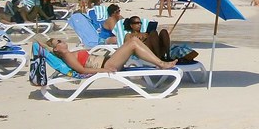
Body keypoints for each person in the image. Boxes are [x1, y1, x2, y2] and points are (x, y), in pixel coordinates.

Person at [43, 35, 176, 75]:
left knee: (134, 41)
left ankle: (160, 62)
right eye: (58, 42)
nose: (62, 41)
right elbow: (81, 70)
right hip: (108, 64)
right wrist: (104, 70)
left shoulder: (70, 53)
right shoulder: (67, 56)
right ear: (56, 49)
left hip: (108, 61)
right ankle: (161, 63)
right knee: (133, 42)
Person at [122, 16, 198, 63]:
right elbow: (127, 47)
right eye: (136, 23)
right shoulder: (129, 35)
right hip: (146, 54)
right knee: (154, 33)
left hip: (156, 50)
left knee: (163, 31)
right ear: (131, 25)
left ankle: (168, 56)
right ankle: (159, 59)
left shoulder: (145, 33)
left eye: (140, 23)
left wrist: (147, 36)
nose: (139, 24)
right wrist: (138, 41)